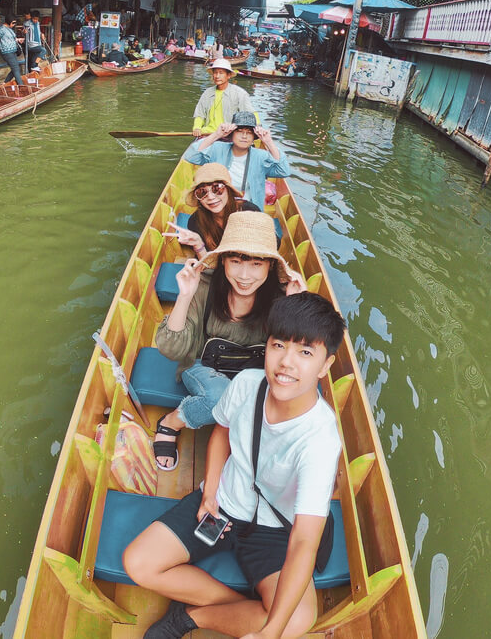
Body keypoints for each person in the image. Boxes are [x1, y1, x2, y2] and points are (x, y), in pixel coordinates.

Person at [123, 289, 345, 639]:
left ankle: (191, 617)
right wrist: (210, 491)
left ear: (326, 364)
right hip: (223, 504)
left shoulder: (319, 439)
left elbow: (304, 540)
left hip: (274, 531)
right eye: (278, 346)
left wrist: (270, 633)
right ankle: (242, 609)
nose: (287, 363)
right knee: (139, 563)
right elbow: (222, 432)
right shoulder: (247, 384)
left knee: (297, 621)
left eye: (305, 352)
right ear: (267, 346)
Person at [150, 211, 305, 471]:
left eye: (256, 264)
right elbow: (171, 349)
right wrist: (184, 296)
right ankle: (171, 421)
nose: (245, 275)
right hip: (203, 365)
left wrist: (295, 308)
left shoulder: (281, 297)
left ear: (269, 266)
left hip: (255, 373)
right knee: (221, 398)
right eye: (236, 261)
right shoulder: (205, 287)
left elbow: (290, 360)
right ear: (223, 262)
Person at [184, 112, 289, 208]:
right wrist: (217, 135)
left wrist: (269, 142)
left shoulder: (261, 156)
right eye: (239, 131)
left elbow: (283, 171)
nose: (244, 136)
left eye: (249, 132)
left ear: (254, 137)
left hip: (249, 207)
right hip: (217, 205)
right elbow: (191, 156)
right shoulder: (218, 148)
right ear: (232, 134)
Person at [163, 163, 260, 259]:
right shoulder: (196, 221)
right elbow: (207, 264)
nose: (210, 197)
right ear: (198, 198)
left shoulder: (249, 210)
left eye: (217, 188)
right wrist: (198, 245)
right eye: (202, 192)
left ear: (228, 190)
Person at [191, 59, 257, 138]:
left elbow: (251, 114)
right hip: (208, 134)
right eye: (215, 73)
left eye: (221, 73)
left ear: (228, 75)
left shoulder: (239, 93)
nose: (217, 76)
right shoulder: (207, 93)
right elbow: (200, 114)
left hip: (229, 135)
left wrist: (258, 128)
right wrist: (197, 128)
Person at [0, 19, 25, 85]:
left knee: (15, 68)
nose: (14, 25)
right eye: (13, 23)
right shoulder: (2, 29)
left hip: (13, 51)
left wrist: (18, 40)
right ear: (9, 22)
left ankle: (5, 83)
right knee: (15, 68)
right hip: (7, 52)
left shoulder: (9, 29)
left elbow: (12, 38)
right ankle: (21, 85)